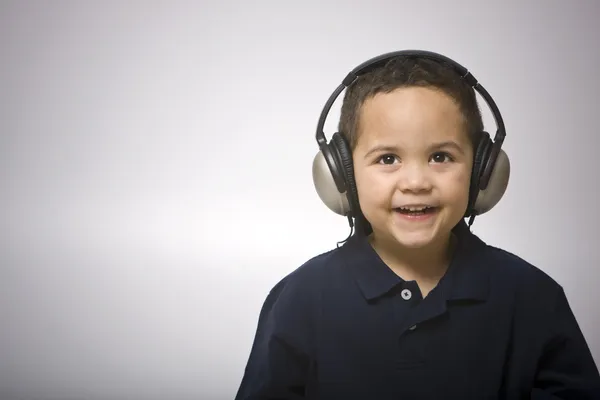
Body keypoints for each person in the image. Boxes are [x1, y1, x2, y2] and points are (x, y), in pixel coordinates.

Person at [234, 51, 600, 399]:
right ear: (341, 175)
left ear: (482, 172)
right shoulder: (299, 299)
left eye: (441, 157)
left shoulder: (534, 298)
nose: (415, 181)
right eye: (388, 158)